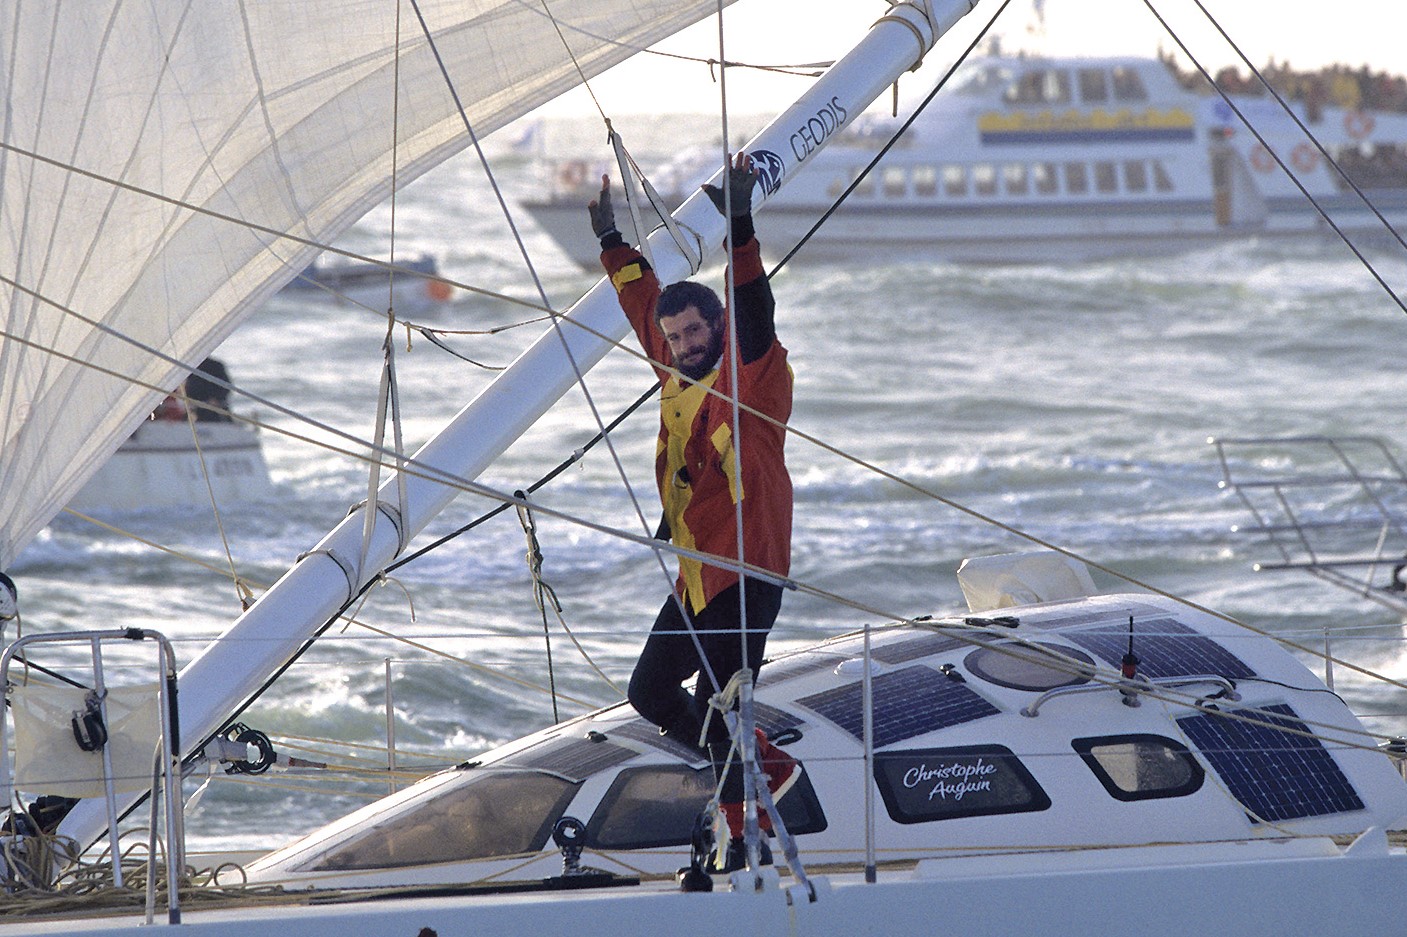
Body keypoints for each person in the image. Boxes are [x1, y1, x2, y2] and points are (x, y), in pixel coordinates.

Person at [590, 154, 798, 870]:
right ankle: (760, 763)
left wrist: (739, 224)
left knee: (721, 705)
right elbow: (641, 302)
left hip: (747, 569)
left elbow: (754, 310)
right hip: (696, 576)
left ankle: (741, 836)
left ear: (715, 327)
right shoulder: (671, 362)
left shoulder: (753, 379)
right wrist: (611, 242)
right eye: (674, 338)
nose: (681, 344)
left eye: (693, 333)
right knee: (649, 690)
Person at [185, 356, 233, 422]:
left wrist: (216, 398)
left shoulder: (216, 366)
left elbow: (226, 387)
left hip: (216, 408)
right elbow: (189, 389)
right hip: (196, 408)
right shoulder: (190, 367)